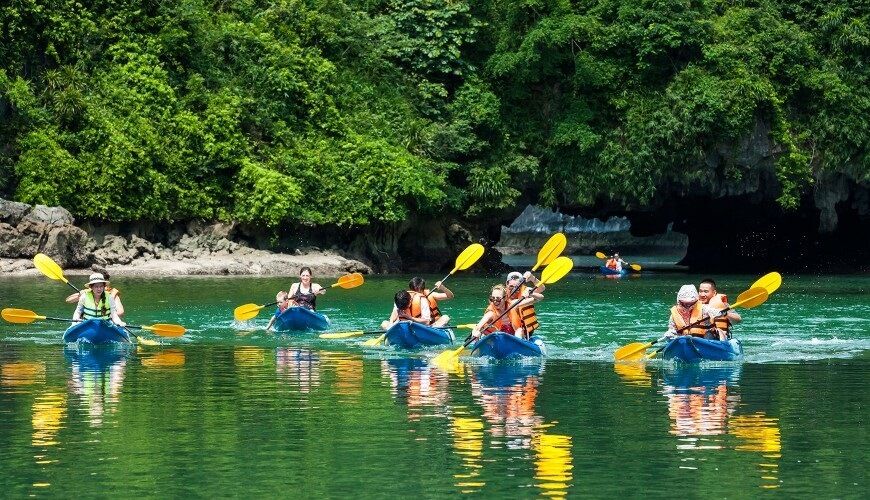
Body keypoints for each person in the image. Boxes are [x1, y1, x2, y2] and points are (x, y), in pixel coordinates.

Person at [471, 284, 543, 340]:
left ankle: (517, 346)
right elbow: (477, 327)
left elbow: (540, 298)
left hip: (514, 336)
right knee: (488, 333)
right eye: (492, 298)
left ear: (505, 298)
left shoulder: (513, 304)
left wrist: (532, 294)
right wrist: (475, 333)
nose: (495, 301)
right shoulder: (491, 313)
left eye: (498, 299)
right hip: (498, 337)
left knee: (519, 330)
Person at [505, 271, 543, 338]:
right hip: (507, 329)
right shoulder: (502, 293)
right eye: (511, 287)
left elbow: (541, 290)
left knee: (519, 331)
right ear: (506, 284)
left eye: (517, 287)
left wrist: (532, 278)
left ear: (521, 285)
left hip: (523, 332)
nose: (514, 290)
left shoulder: (526, 291)